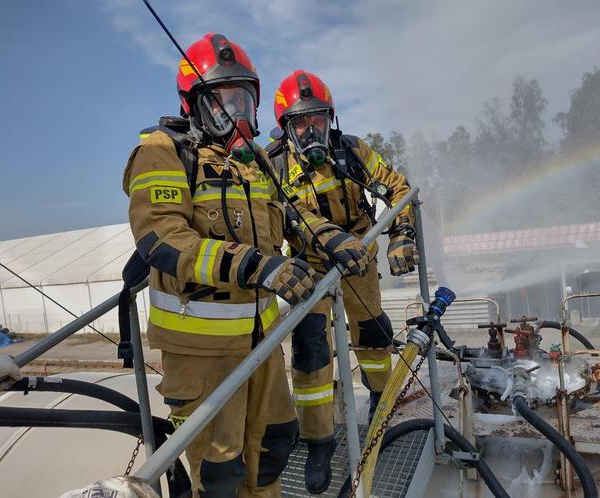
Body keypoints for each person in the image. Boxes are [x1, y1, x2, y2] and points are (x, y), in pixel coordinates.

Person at [123, 34, 327, 497]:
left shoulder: (253, 162)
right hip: (202, 351)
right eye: (223, 103)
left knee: (276, 444)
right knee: (222, 475)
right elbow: (162, 237)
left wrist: (336, 240)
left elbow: (293, 214)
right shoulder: (164, 151)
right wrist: (258, 266)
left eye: (243, 101)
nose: (236, 114)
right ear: (192, 104)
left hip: (261, 338)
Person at [267, 69, 419, 494]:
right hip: (311, 271)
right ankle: (319, 442)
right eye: (301, 122)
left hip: (360, 266)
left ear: (329, 118)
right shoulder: (273, 164)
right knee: (312, 355)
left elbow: (397, 186)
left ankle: (380, 405)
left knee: (373, 336)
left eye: (318, 119)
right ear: (285, 126)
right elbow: (286, 212)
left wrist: (401, 233)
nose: (311, 129)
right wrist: (330, 239)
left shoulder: (352, 150)